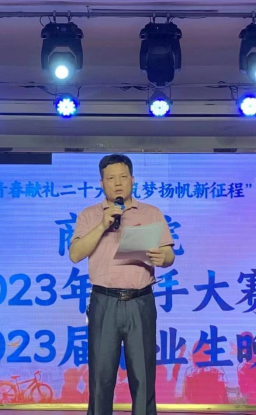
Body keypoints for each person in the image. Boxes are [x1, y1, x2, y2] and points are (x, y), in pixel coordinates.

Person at [69, 154, 175, 415]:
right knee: (101, 377)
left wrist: (163, 257)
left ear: (132, 180)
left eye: (123, 177)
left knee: (143, 376)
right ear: (102, 183)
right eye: (111, 178)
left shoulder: (151, 213)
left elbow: (169, 254)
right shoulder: (89, 215)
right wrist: (102, 225)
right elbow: (75, 254)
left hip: (141, 302)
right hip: (104, 302)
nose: (118, 183)